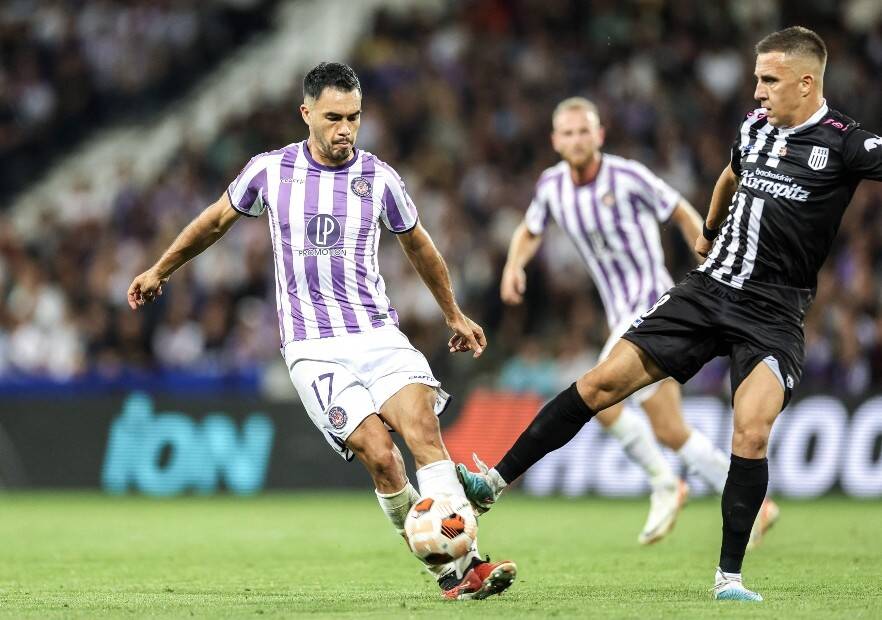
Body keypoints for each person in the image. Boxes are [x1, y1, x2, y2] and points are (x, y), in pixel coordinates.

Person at [458, 26, 882, 601]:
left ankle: (728, 578)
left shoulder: (846, 142)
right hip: (706, 292)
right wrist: (710, 230)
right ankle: (493, 482)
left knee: (751, 432)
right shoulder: (753, 129)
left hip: (774, 314)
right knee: (600, 383)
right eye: (757, 78)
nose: (756, 91)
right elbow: (729, 176)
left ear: (807, 83)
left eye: (769, 80)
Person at [127, 62, 516, 601]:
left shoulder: (379, 177)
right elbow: (215, 220)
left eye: (354, 117)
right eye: (334, 117)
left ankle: (468, 566)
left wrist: (453, 312)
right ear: (306, 113)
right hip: (313, 351)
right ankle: (444, 567)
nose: (345, 129)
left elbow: (418, 244)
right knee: (382, 457)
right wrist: (159, 269)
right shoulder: (269, 171)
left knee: (423, 430)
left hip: (377, 336)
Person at [493, 96, 775, 546]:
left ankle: (665, 483)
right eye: (567, 133)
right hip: (618, 312)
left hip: (651, 304)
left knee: (594, 395)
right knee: (668, 429)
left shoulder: (627, 175)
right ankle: (754, 500)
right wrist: (514, 265)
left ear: (599, 134)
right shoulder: (551, 186)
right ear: (555, 140)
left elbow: (679, 209)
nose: (577, 139)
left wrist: (706, 255)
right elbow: (530, 229)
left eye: (585, 130)